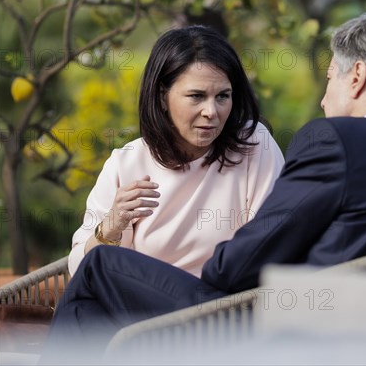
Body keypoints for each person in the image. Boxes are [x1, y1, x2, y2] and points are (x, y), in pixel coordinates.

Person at [41, 11, 366, 363]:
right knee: (95, 287)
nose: (325, 100)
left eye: (330, 78)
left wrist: (215, 266)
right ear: (162, 97)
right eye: (197, 96)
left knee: (100, 268)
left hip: (264, 328)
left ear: (357, 75)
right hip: (330, 328)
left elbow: (243, 262)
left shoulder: (335, 141)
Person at [66, 25, 284, 279]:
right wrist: (112, 227)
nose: (211, 112)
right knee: (95, 275)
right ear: (162, 96)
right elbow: (81, 270)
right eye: (196, 96)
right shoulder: (126, 164)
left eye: (223, 96)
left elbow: (271, 243)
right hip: (147, 308)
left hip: (225, 302)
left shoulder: (253, 144)